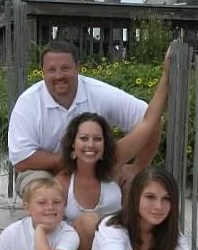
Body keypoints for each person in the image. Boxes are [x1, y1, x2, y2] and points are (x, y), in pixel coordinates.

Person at [54, 46, 170, 250]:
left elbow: (148, 122)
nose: (90, 145)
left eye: (97, 139)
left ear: (105, 144)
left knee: (133, 202)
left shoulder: (113, 167)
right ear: (73, 145)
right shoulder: (62, 181)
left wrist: (165, 77)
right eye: (83, 139)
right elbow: (45, 228)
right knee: (88, 222)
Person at [8, 39, 161, 198]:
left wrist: (138, 168)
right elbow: (22, 160)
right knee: (43, 193)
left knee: (132, 191)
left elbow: (152, 120)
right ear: (42, 72)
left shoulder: (100, 93)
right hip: (44, 171)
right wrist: (73, 161)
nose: (59, 75)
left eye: (65, 68)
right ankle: (47, 222)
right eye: (51, 70)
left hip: (95, 166)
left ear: (78, 68)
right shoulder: (28, 103)